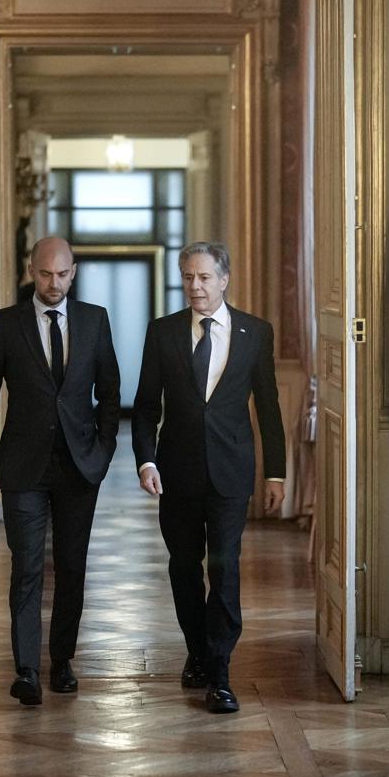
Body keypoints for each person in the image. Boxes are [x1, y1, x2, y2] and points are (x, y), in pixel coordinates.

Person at [134, 241, 286, 715]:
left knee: (224, 572)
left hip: (230, 474)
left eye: (203, 277)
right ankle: (196, 651)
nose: (194, 286)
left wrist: (276, 473)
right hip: (175, 474)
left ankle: (219, 673)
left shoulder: (256, 332)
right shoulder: (162, 333)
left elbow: (268, 408)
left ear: (224, 279)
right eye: (188, 277)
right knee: (183, 568)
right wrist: (146, 461)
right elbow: (144, 406)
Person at [0, 237, 121, 703]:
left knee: (72, 567)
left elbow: (111, 392)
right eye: (44, 274)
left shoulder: (95, 320)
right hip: (23, 466)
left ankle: (62, 661)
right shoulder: (6, 323)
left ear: (73, 272)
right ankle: (26, 670)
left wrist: (103, 451)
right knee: (27, 566)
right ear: (30, 271)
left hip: (79, 466)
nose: (53, 284)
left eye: (61, 275)